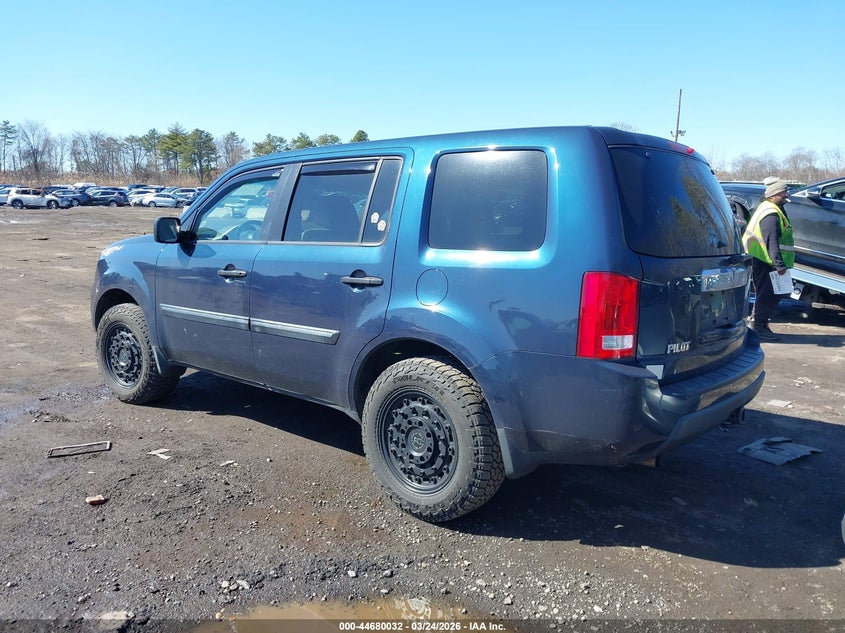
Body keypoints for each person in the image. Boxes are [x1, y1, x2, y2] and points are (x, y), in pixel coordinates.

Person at [742, 177, 794, 341]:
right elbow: (771, 240)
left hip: (766, 259)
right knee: (767, 294)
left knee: (774, 293)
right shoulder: (770, 213)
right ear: (774, 194)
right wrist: (779, 265)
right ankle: (759, 326)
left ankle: (758, 322)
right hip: (765, 260)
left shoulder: (772, 207)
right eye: (783, 192)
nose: (786, 195)